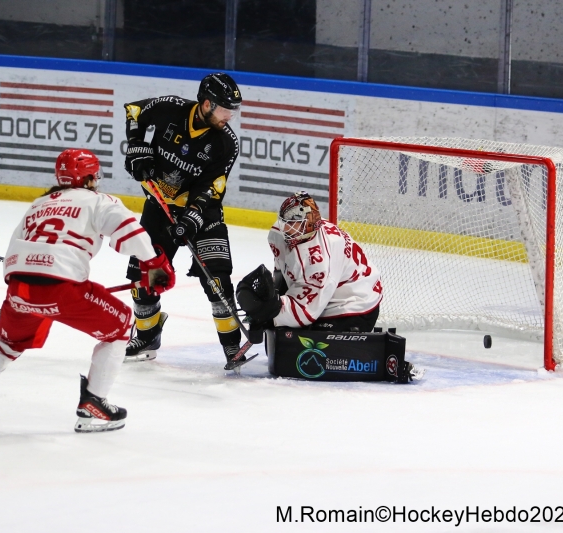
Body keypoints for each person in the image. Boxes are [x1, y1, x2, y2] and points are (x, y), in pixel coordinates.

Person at [0, 149, 176, 433]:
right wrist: (154, 263)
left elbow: (14, 248)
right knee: (121, 325)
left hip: (18, 288)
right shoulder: (99, 201)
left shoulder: (39, 204)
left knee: (7, 343)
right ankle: (94, 404)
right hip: (63, 286)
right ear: (90, 177)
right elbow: (129, 232)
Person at [122, 72, 243, 367]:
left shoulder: (227, 144)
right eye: (224, 109)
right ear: (205, 104)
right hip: (159, 206)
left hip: (203, 214)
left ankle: (232, 346)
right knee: (144, 276)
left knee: (216, 280)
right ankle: (148, 336)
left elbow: (213, 188)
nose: (230, 117)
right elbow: (134, 111)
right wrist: (137, 146)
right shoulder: (170, 108)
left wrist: (191, 218)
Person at [237, 191, 383, 332]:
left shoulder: (319, 261)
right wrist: (275, 298)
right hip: (331, 293)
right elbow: (281, 272)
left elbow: (305, 313)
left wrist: (270, 316)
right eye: (285, 222)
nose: (287, 228)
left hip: (355, 305)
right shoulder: (280, 232)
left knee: (302, 344)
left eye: (294, 224)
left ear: (309, 224)